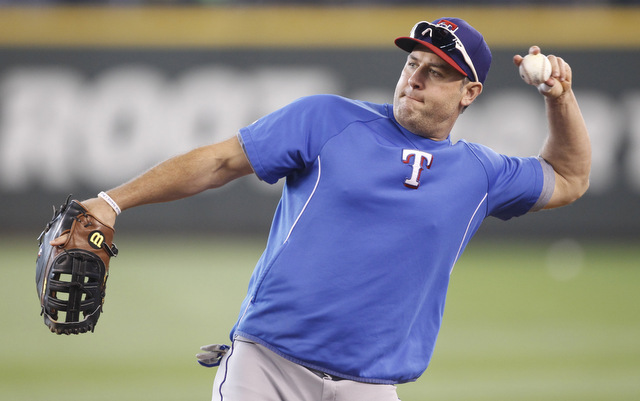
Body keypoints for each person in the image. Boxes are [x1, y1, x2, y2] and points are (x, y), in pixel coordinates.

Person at [52, 17, 590, 401]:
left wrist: (559, 98)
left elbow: (569, 177)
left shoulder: (481, 173)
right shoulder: (328, 119)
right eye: (413, 62)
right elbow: (219, 162)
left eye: (438, 71)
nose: (416, 78)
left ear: (469, 92)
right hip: (267, 367)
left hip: (371, 385)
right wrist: (113, 200)